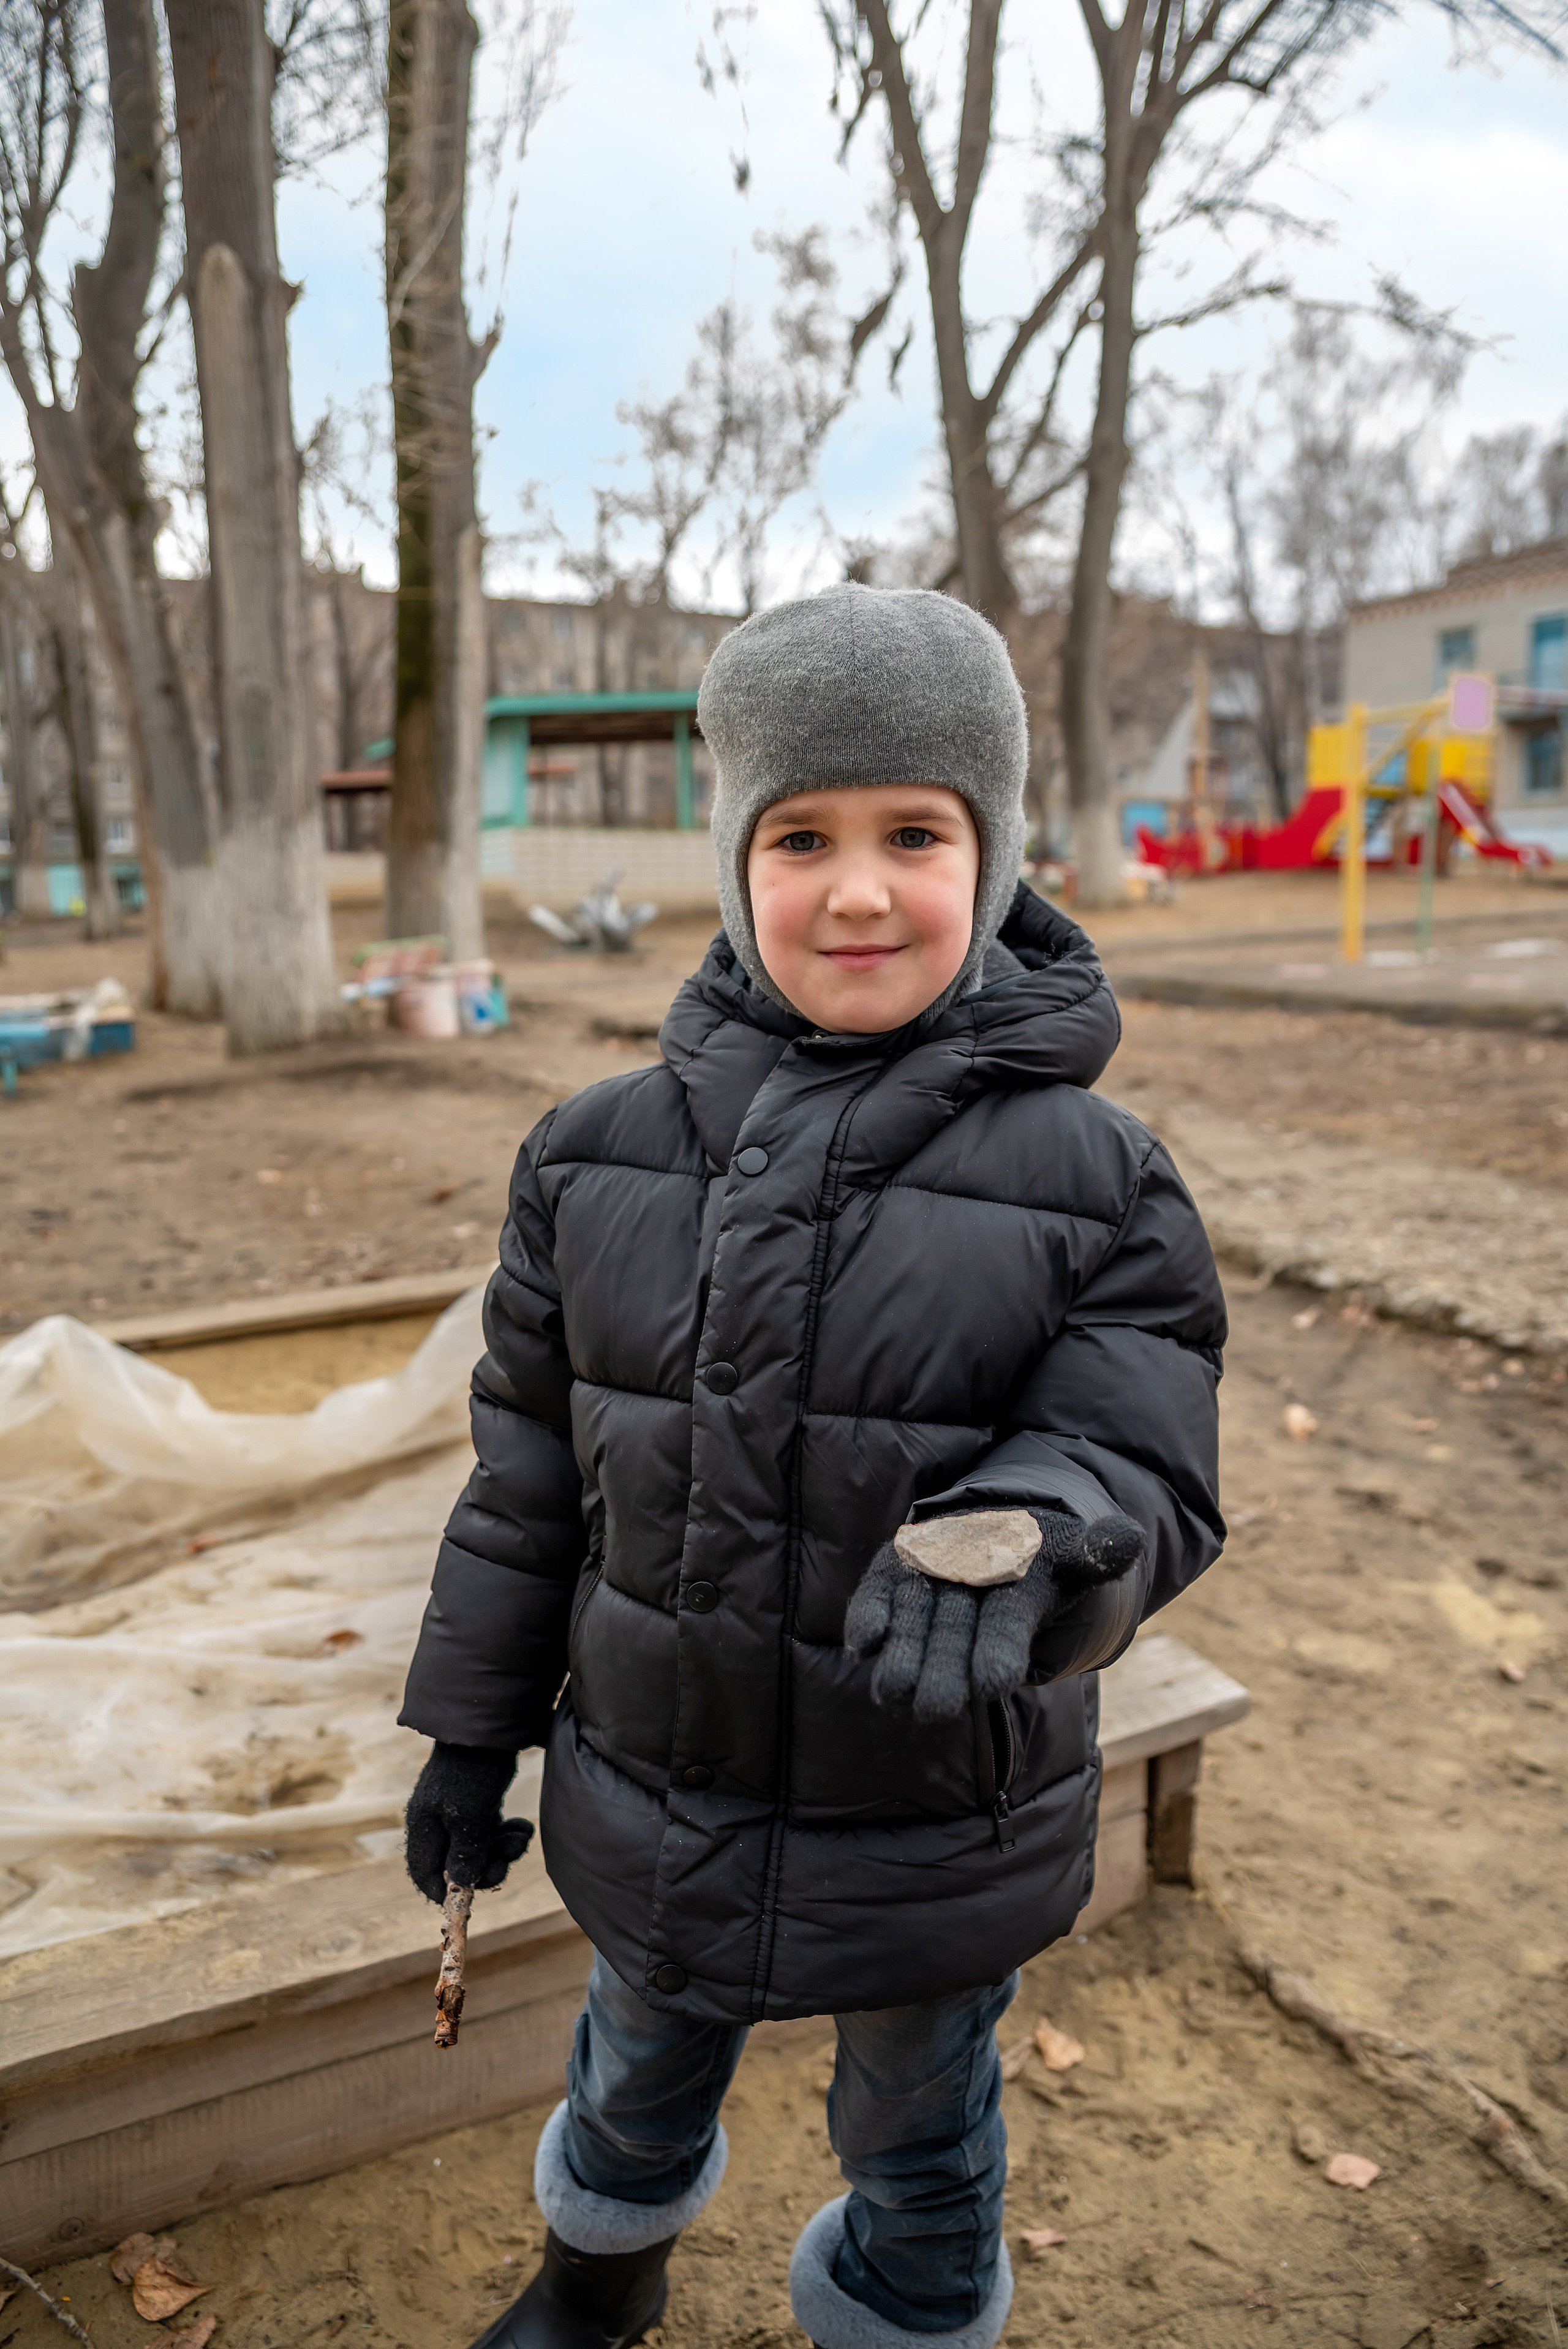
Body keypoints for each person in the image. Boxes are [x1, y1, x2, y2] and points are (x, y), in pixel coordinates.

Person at [400, 584, 1226, 2349]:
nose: (859, 887)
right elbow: (525, 1483)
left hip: (931, 1817)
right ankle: (589, 2295)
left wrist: (1034, 1531)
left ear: (993, 853)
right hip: (655, 1793)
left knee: (926, 2139)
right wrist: (474, 1730)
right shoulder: (592, 1158)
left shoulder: (1102, 1178)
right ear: (731, 857)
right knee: (629, 2078)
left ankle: (909, 2322)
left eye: (916, 831)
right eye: (803, 834)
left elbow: (1137, 1449)